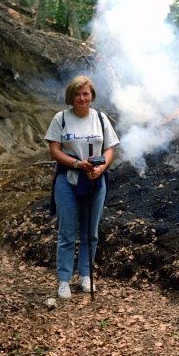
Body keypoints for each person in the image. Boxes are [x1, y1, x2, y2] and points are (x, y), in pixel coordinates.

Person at [44, 75, 120, 299]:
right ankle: (64, 280)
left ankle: (86, 276)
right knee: (67, 232)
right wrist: (77, 163)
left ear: (91, 96)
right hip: (68, 179)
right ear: (71, 96)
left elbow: (109, 148)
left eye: (85, 93)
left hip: (95, 179)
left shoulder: (100, 118)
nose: (82, 98)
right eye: (77, 94)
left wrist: (101, 168)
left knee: (91, 231)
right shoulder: (61, 119)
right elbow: (54, 151)